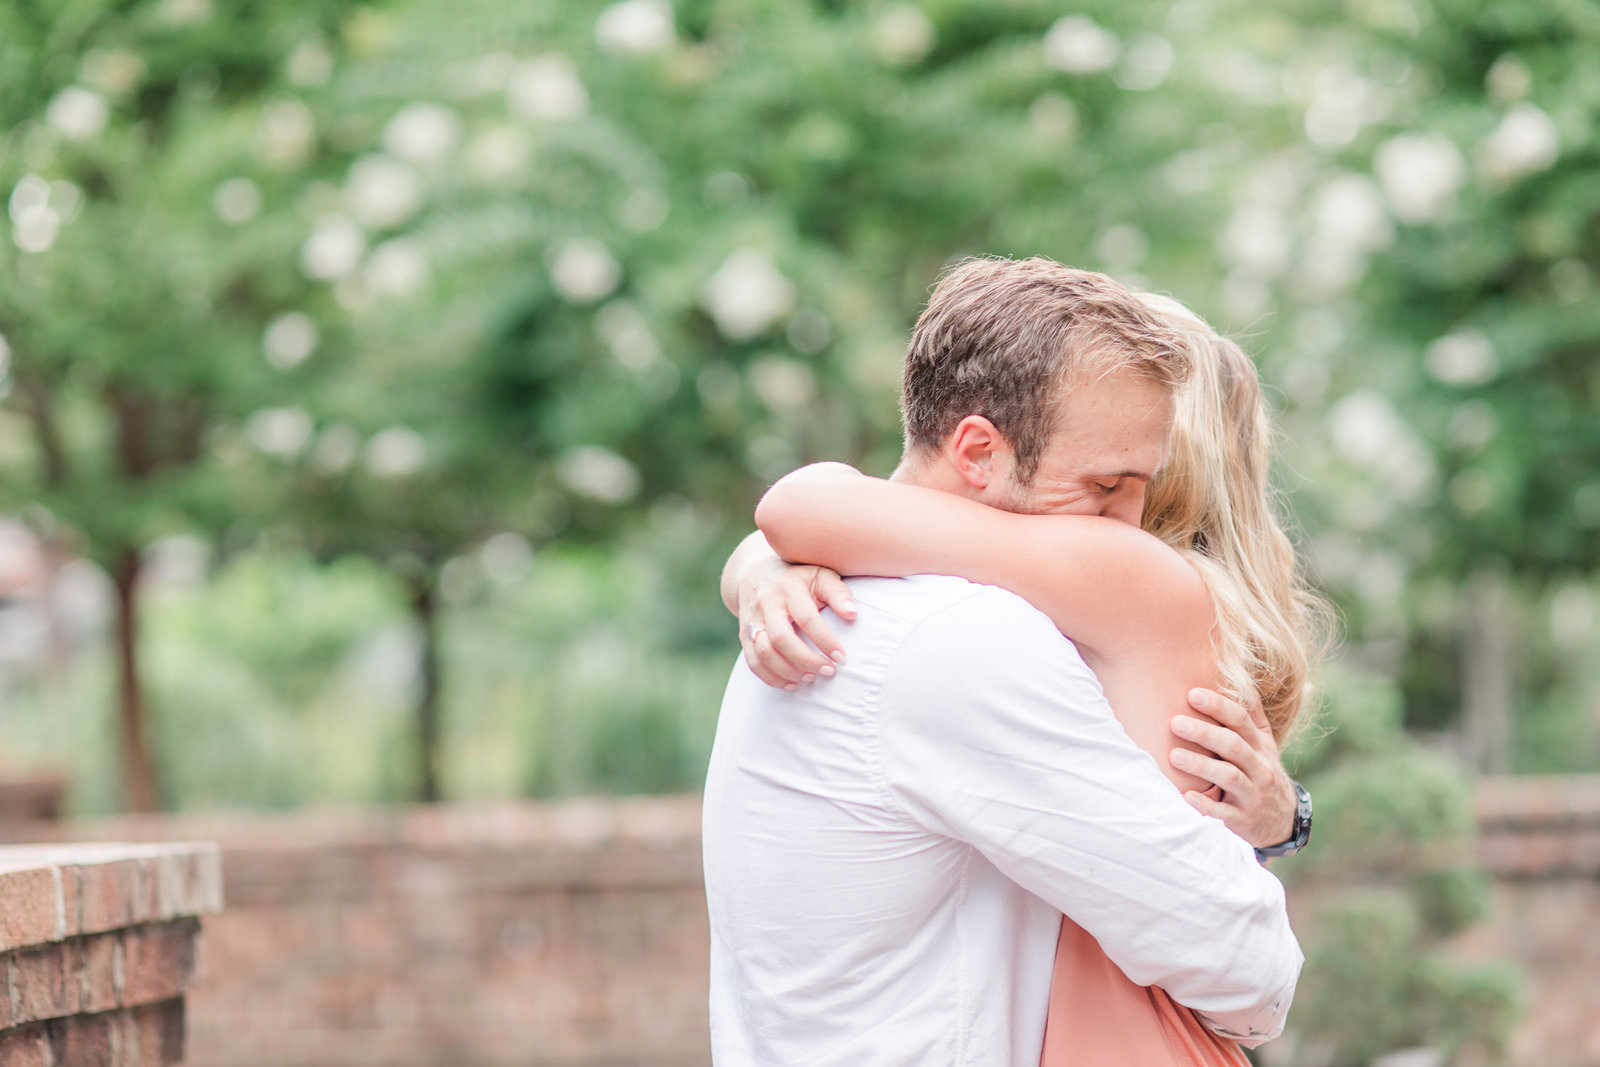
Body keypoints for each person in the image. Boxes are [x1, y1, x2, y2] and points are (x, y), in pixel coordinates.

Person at [703, 257, 1312, 1066]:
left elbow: (796, 508)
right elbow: (1243, 968)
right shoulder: (971, 643)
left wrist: (759, 563)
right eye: (1105, 485)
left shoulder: (809, 611)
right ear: (980, 452)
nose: (1125, 525)